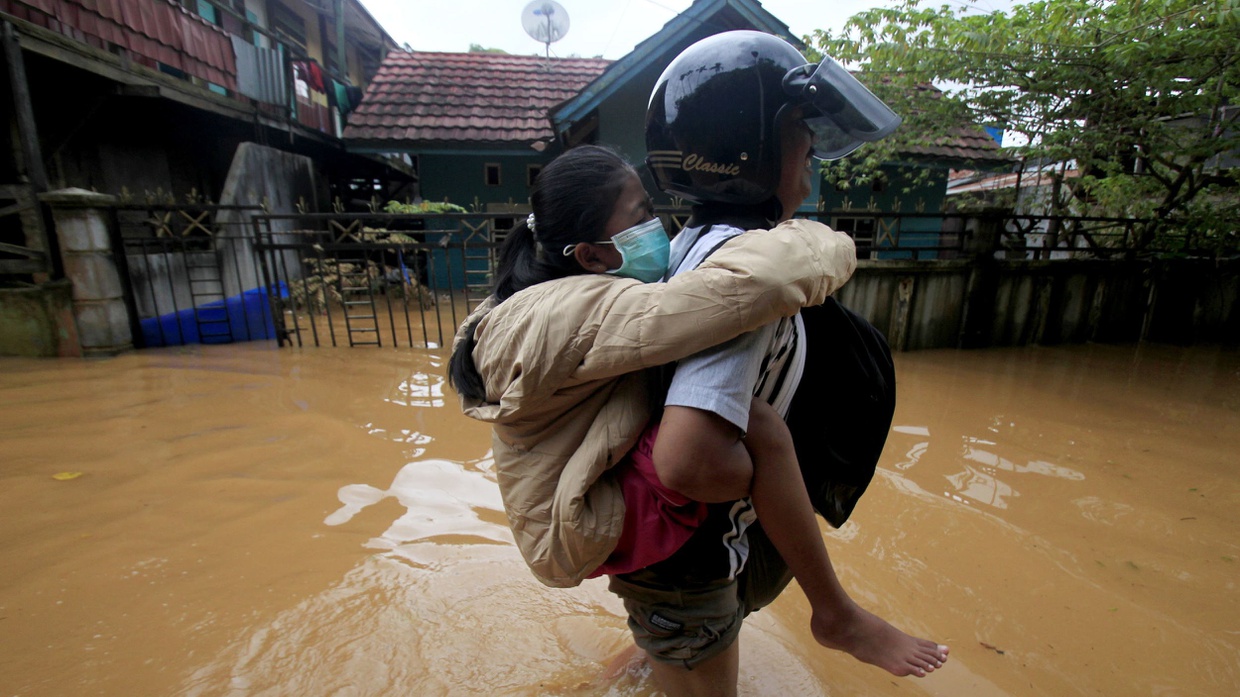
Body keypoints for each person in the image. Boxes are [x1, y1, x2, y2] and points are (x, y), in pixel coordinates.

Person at [611, 30, 950, 695]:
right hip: (692, 568)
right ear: (752, 148)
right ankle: (838, 615)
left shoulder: (695, 244)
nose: (812, 152)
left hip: (662, 560)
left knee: (650, 661)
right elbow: (688, 459)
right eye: (801, 131)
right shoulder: (742, 277)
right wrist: (772, 470)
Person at [449, 144, 857, 595]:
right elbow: (754, 286)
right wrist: (829, 241)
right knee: (746, 432)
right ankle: (833, 609)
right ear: (589, 256)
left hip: (567, 512)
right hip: (586, 522)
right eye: (639, 216)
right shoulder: (580, 312)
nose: (656, 226)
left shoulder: (533, 299)